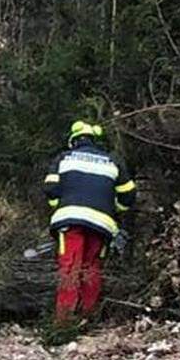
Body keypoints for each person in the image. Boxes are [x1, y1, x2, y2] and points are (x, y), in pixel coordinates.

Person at [43, 120, 136, 324]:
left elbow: (50, 188)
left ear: (73, 141)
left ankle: (64, 320)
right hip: (102, 224)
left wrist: (60, 205)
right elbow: (128, 194)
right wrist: (113, 209)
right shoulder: (112, 161)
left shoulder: (63, 158)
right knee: (91, 267)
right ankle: (88, 317)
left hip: (70, 221)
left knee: (70, 267)